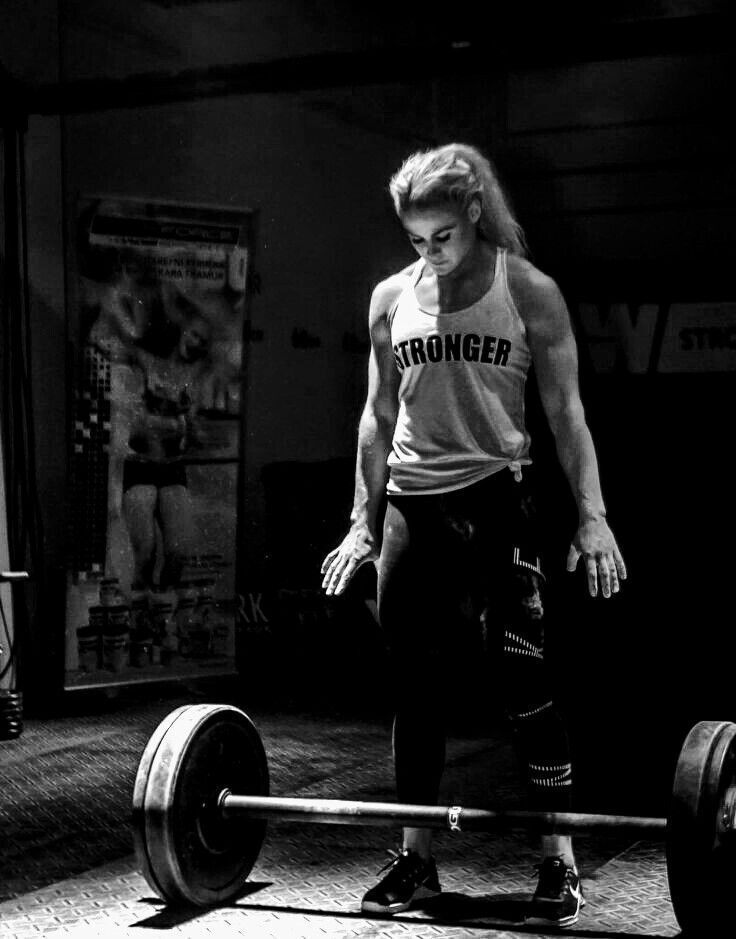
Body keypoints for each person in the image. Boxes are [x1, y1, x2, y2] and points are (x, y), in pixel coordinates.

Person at [321, 143, 626, 928]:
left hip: (499, 504)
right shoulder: (392, 298)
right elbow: (377, 418)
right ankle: (415, 860)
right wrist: (361, 522)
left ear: (475, 213)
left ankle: (558, 863)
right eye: (417, 239)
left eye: (443, 236)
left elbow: (566, 415)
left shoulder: (529, 293)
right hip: (413, 512)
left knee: (523, 685)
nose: (430, 254)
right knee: (414, 689)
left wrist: (591, 515)